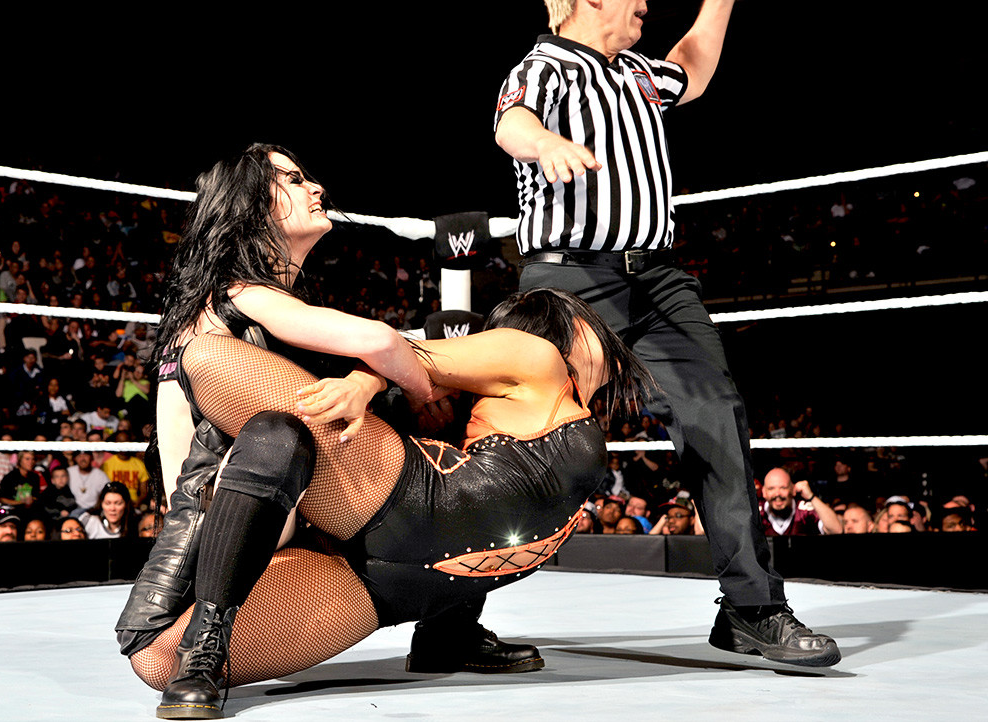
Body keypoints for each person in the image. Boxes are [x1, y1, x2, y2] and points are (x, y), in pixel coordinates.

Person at [116, 145, 534, 704]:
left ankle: (448, 630)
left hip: (304, 526)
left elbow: (376, 363)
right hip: (218, 553)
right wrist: (409, 382)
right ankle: (205, 647)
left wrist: (370, 384)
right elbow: (380, 341)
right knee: (278, 433)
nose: (316, 188)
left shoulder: (282, 307)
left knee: (444, 407)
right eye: (292, 180)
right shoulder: (231, 298)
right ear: (250, 205)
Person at [493, 0, 839, 666]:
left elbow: (694, 63)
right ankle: (450, 618)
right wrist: (546, 145)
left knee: (716, 414)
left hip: (657, 280)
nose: (647, 4)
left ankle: (751, 609)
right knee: (521, 436)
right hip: (571, 280)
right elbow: (514, 120)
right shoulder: (547, 65)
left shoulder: (639, 73)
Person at [129, 287, 653, 718]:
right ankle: (208, 633)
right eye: (592, 324)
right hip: (408, 499)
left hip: (389, 591)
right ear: (569, 326)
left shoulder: (522, 400)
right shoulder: (537, 358)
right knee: (211, 359)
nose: (606, 334)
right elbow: (409, 353)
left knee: (157, 662)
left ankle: (447, 637)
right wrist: (363, 382)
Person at [759, 468, 842, 537]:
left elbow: (836, 530)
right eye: (771, 488)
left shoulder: (805, 511)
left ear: (793, 489)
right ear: (764, 492)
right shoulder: (756, 512)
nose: (777, 494)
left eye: (783, 488)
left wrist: (811, 496)